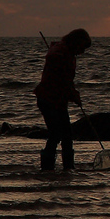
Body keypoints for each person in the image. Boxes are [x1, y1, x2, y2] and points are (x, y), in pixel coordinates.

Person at [34, 28, 91, 170]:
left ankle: (68, 168)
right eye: (82, 47)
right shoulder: (60, 51)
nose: (82, 52)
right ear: (76, 41)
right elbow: (55, 63)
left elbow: (67, 81)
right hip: (48, 99)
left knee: (67, 135)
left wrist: (72, 93)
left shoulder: (68, 54)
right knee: (55, 133)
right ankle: (47, 168)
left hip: (59, 100)